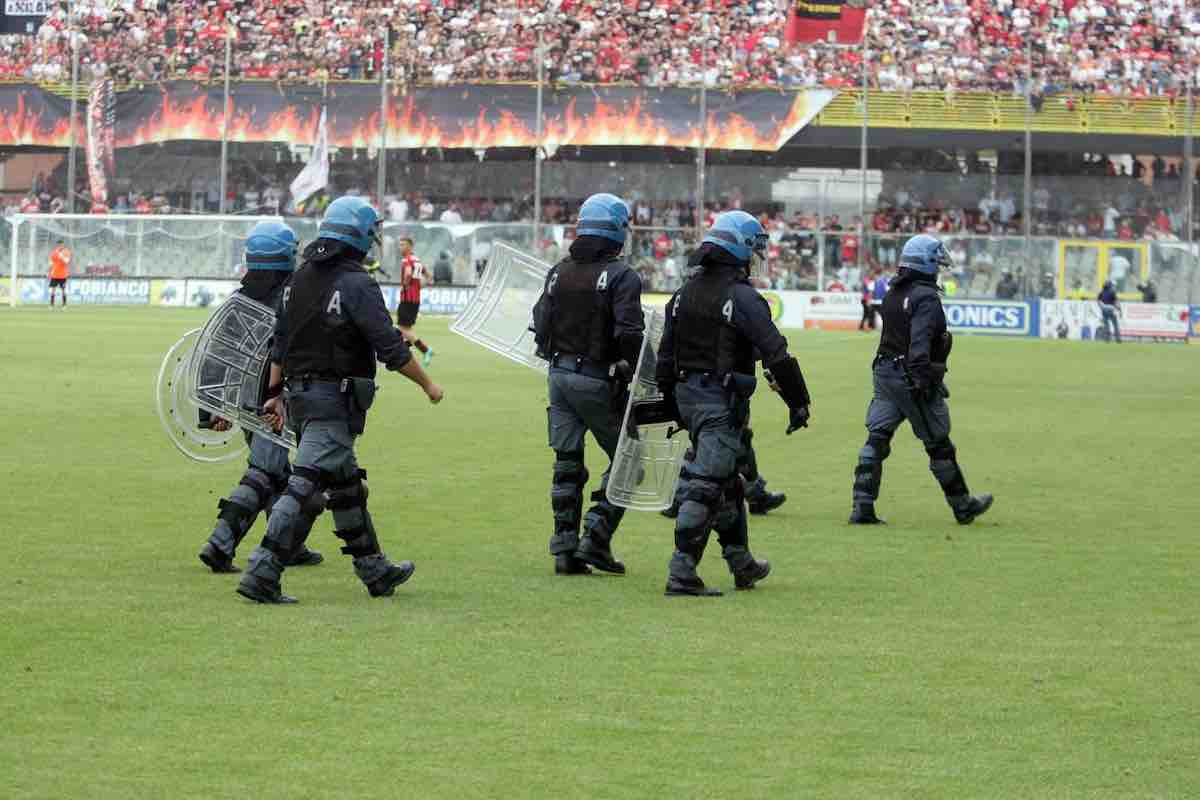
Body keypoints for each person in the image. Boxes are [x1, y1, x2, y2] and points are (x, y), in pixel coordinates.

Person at [236, 196, 444, 604]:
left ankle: (375, 570)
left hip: (299, 396)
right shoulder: (357, 284)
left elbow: (281, 344)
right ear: (360, 236)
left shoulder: (297, 280)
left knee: (347, 486)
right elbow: (390, 348)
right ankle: (263, 571)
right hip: (333, 400)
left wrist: (275, 394)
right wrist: (428, 384)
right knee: (302, 488)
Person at [655, 211, 813, 597]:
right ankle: (682, 571)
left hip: (688, 398)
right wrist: (799, 402)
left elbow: (664, 357)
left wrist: (670, 403)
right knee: (707, 485)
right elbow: (777, 354)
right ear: (740, 250)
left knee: (728, 485)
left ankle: (742, 564)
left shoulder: (683, 294)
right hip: (719, 404)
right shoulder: (742, 297)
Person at [198, 221, 324, 573]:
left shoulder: (238, 300)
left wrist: (212, 409)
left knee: (282, 475)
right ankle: (220, 544)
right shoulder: (295, 295)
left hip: (243, 400)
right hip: (278, 400)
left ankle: (291, 545)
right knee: (266, 472)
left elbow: (216, 355)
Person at [531, 193, 644, 577]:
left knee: (567, 462)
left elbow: (540, 323)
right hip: (597, 380)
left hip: (557, 378)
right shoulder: (622, 276)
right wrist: (637, 371)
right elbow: (630, 333)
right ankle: (596, 537)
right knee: (630, 461)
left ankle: (564, 551)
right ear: (617, 232)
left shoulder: (558, 271)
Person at [847, 234, 993, 527]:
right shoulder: (925, 297)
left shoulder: (893, 293)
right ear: (926, 264)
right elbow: (920, 341)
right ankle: (962, 505)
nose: (939, 269)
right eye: (936, 263)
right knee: (938, 442)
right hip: (910, 376)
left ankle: (862, 505)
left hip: (884, 373)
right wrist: (924, 380)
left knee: (877, 437)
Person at [396, 237, 434, 366]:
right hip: (415, 299)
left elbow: (407, 274)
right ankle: (403, 354)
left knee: (401, 328)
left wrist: (405, 287)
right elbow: (429, 277)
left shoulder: (407, 260)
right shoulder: (417, 260)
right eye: (400, 245)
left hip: (407, 298)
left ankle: (425, 350)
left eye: (403, 245)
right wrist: (418, 287)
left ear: (410, 246)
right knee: (407, 328)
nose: (401, 247)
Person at [47, 240, 71, 308]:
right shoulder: (54, 252)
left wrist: (61, 256)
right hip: (55, 274)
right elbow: (51, 263)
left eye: (61, 244)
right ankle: (51, 304)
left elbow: (67, 261)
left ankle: (64, 304)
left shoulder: (66, 252)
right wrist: (49, 271)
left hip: (63, 275)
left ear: (63, 245)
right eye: (58, 244)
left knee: (63, 290)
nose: (60, 246)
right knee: (53, 290)